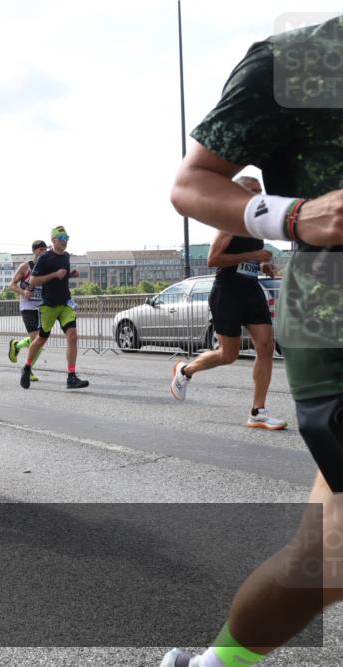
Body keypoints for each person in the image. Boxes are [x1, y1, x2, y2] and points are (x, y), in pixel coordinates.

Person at [161, 15, 342, 667]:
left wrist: (267, 259)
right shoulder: (294, 61)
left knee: (258, 352)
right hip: (290, 300)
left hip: (264, 286)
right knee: (238, 350)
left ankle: (258, 407)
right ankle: (196, 372)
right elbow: (190, 193)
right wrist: (293, 216)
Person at [169, 176, 286, 429]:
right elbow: (213, 259)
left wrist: (263, 264)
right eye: (252, 190)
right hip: (227, 292)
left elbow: (249, 261)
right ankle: (185, 371)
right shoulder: (230, 221)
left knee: (265, 346)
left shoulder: (257, 226)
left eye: (260, 190)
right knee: (228, 354)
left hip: (251, 290)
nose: (258, 194)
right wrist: (254, 254)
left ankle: (258, 411)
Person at [19, 226, 89, 390]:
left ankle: (71, 377)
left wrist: (70, 275)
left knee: (72, 336)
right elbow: (33, 281)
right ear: (54, 240)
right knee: (41, 339)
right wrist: (54, 275)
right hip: (48, 306)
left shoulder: (65, 256)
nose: (65, 241)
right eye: (62, 238)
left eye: (67, 238)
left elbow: (61, 277)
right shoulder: (45, 258)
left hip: (65, 304)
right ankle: (27, 367)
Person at [8, 240, 49, 382]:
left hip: (42, 307)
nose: (43, 252)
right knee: (36, 338)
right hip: (28, 308)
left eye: (45, 249)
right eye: (41, 249)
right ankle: (28, 369)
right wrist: (23, 292)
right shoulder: (25, 267)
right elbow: (11, 285)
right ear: (34, 251)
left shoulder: (46, 268)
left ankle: (17, 345)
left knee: (40, 342)